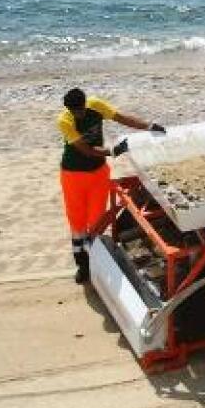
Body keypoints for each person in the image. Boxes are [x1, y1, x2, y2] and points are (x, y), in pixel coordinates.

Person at [57, 88, 166, 283]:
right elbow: (85, 150)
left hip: (98, 173)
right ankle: (83, 266)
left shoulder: (95, 105)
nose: (78, 114)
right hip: (73, 175)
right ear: (69, 109)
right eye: (74, 111)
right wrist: (112, 151)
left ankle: (95, 262)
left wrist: (149, 126)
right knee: (77, 224)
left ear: (85, 104)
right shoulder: (65, 120)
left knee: (96, 221)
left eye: (80, 110)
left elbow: (121, 118)